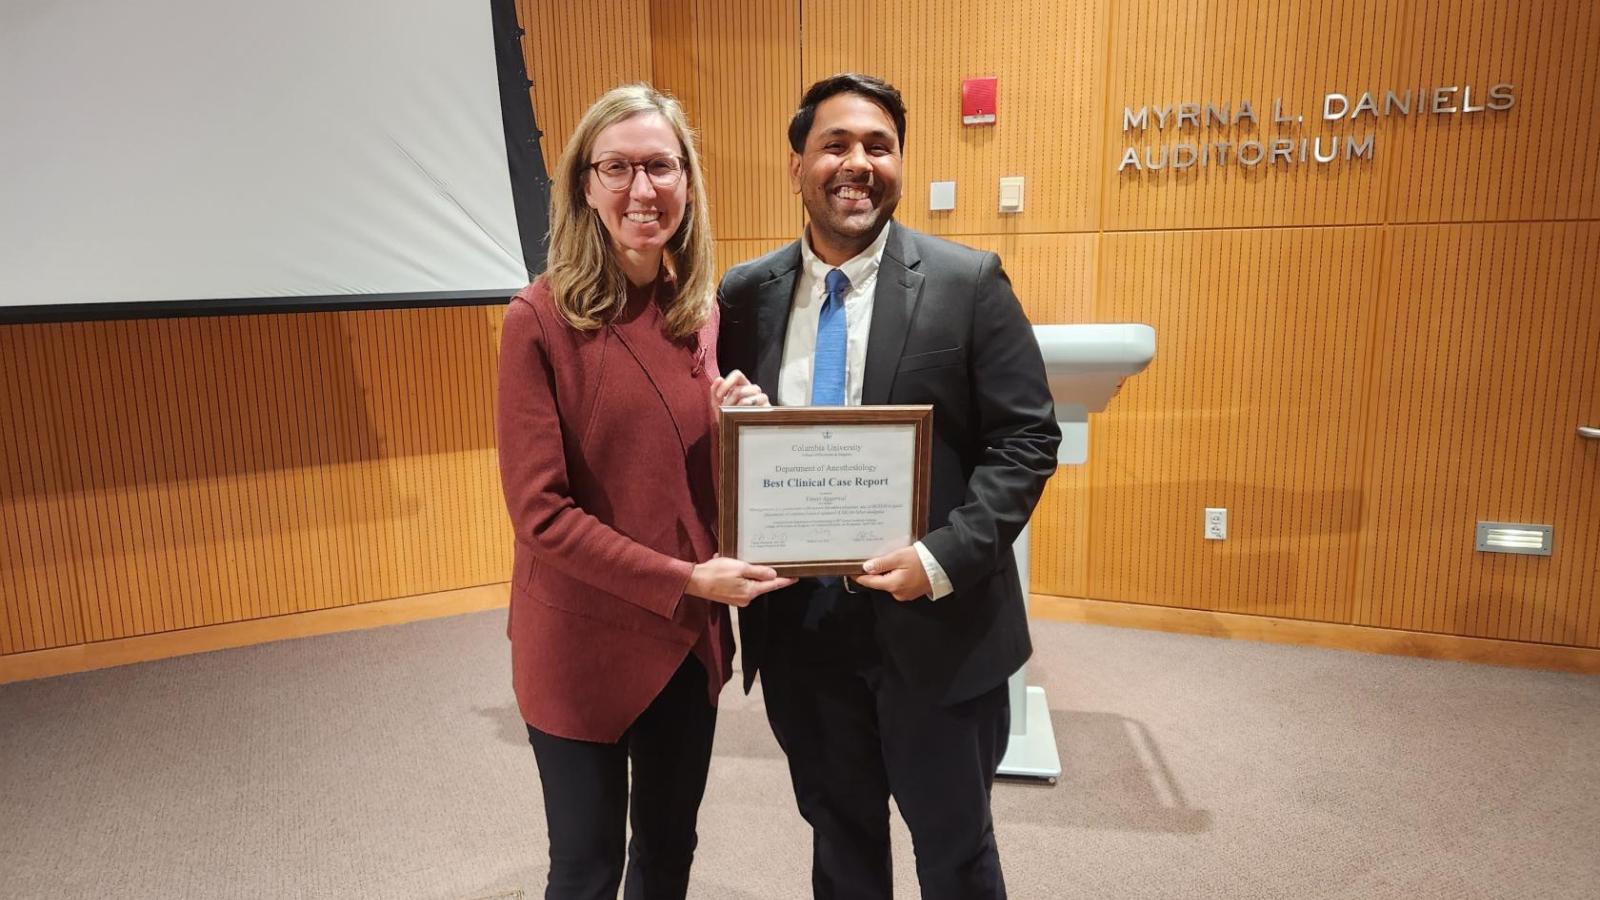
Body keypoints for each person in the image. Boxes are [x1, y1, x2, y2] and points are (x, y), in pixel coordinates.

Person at [716, 73, 1062, 899]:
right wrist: (732, 420)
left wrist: (940, 558)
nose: (858, 163)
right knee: (840, 847)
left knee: (956, 854)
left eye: (879, 146)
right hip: (802, 629)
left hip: (936, 626)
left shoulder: (967, 282)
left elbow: (1027, 439)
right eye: (836, 144)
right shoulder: (744, 296)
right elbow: (728, 451)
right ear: (796, 164)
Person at [495, 83, 790, 900]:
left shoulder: (699, 312)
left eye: (660, 166)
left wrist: (741, 431)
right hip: (582, 644)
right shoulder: (539, 320)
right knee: (586, 869)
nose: (641, 190)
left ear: (687, 181)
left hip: (684, 644)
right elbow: (540, 515)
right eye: (617, 167)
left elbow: (681, 479)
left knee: (666, 852)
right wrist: (688, 580)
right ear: (584, 185)